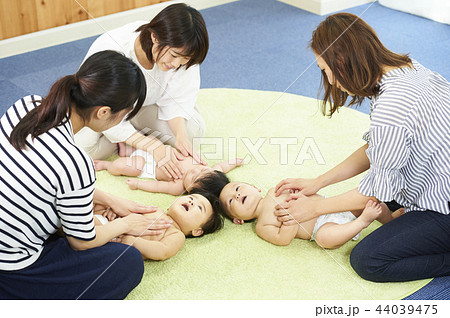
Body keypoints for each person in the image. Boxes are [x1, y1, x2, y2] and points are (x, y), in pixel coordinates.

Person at [274, 13, 449, 282]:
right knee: (376, 203)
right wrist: (318, 183)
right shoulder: (407, 67)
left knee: (368, 260)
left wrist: (315, 209)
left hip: (443, 206)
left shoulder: (391, 110)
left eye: (325, 69)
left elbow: (377, 189)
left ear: (341, 60)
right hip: (436, 180)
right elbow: (376, 148)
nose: (330, 81)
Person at [0, 50, 173, 299]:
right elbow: (82, 243)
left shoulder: (25, 105)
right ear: (103, 112)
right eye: (122, 115)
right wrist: (124, 224)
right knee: (127, 262)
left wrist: (112, 200)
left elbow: (41, 178)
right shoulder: (75, 161)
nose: (120, 121)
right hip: (12, 271)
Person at [74, 3, 209, 180]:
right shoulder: (113, 48)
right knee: (83, 151)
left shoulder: (186, 54)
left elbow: (177, 100)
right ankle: (131, 137)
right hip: (105, 111)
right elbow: (99, 110)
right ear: (155, 37)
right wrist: (152, 145)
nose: (176, 64)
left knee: (193, 133)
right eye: (174, 56)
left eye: (184, 60)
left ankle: (130, 137)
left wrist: (181, 136)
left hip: (146, 107)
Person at [219, 182, 401, 248]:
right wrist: (290, 218)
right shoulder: (261, 226)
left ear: (254, 187)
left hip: (333, 207)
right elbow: (283, 240)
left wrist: (297, 189)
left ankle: (389, 219)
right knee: (324, 239)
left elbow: (303, 191)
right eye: (230, 202)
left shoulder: (275, 190)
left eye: (237, 188)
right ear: (238, 220)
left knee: (368, 200)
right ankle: (362, 222)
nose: (236, 195)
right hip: (321, 227)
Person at [94, 192, 224, 260]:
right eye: (192, 197)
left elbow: (162, 251)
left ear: (197, 231)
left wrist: (133, 242)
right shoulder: (155, 210)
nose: (192, 201)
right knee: (98, 205)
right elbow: (126, 209)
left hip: (118, 246)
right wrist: (112, 211)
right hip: (109, 224)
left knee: (89, 228)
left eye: (200, 207)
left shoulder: (176, 234)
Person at [94, 142, 243, 196]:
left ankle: (107, 165)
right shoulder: (210, 170)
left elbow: (158, 186)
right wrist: (234, 162)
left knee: (129, 166)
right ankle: (127, 150)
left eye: (193, 178)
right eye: (202, 171)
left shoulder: (178, 187)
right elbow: (222, 167)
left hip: (146, 165)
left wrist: (138, 184)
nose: (195, 171)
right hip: (156, 150)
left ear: (190, 191)